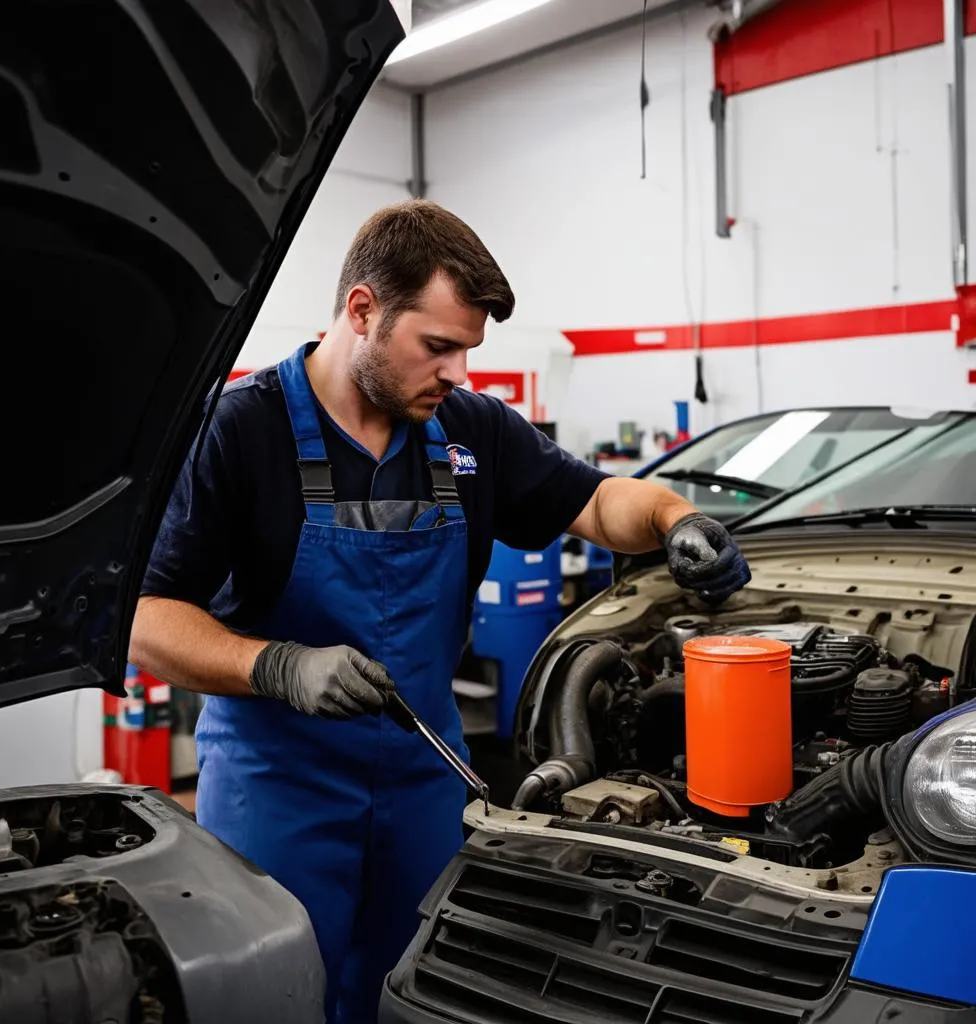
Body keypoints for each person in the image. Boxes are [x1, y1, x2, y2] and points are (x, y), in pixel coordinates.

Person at [129, 200, 751, 1022]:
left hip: (426, 774)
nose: (459, 372)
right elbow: (145, 617)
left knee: (417, 993)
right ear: (362, 310)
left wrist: (675, 518)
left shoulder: (469, 429)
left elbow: (599, 502)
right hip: (279, 782)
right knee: (277, 993)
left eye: (467, 350)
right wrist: (274, 665)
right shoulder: (238, 431)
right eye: (440, 346)